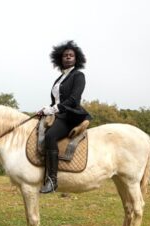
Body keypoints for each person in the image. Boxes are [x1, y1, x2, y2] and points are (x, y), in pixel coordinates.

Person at [38, 40, 92, 193]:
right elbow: (55, 100)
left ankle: (52, 180)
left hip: (70, 115)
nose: (68, 57)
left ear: (76, 58)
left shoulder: (79, 75)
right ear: (60, 59)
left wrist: (53, 109)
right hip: (58, 113)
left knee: (50, 136)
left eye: (71, 55)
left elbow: (74, 100)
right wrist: (45, 109)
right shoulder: (59, 79)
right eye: (65, 55)